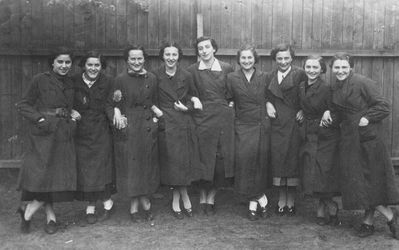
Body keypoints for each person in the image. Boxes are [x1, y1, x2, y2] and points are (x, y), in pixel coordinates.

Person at [330, 52, 399, 239]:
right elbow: (339, 110)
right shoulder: (335, 86)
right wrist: (329, 114)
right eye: (337, 67)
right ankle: (368, 222)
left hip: (370, 141)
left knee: (371, 182)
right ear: (332, 68)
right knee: (363, 183)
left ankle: (390, 217)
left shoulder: (362, 82)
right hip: (351, 141)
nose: (340, 70)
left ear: (351, 67)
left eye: (344, 67)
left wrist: (367, 118)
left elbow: (384, 106)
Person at [15, 47, 79, 234]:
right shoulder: (40, 80)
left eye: (67, 62)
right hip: (43, 136)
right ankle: (29, 212)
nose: (64, 66)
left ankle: (50, 217)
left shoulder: (70, 82)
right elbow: (23, 105)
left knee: (53, 177)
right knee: (44, 177)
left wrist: (72, 114)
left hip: (63, 134)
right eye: (60, 62)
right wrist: (40, 119)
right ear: (52, 62)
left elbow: (69, 105)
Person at [107, 45, 160, 223]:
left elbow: (155, 102)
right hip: (129, 128)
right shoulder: (120, 80)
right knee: (132, 168)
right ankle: (135, 206)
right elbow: (114, 102)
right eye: (132, 59)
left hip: (146, 127)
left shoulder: (152, 78)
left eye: (139, 59)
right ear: (127, 61)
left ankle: (145, 201)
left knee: (147, 166)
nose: (136, 62)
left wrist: (155, 120)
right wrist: (116, 113)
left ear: (144, 59)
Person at [154, 42, 203, 219]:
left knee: (183, 164)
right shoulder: (155, 76)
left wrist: (188, 107)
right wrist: (157, 114)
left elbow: (193, 96)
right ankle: (179, 197)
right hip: (166, 123)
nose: (171, 58)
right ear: (162, 56)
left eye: (174, 55)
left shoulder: (187, 75)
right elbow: (151, 99)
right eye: (167, 54)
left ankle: (182, 196)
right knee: (172, 165)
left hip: (183, 122)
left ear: (178, 57)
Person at [186, 36, 235, 215]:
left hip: (222, 119)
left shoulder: (227, 68)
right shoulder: (192, 70)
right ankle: (202, 195)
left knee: (218, 159)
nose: (204, 51)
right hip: (202, 118)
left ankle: (212, 196)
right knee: (203, 157)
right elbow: (187, 92)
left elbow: (232, 93)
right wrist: (194, 98)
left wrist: (229, 106)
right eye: (200, 48)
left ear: (214, 49)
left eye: (207, 47)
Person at [226, 45, 270, 221]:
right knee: (245, 165)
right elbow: (229, 99)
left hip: (260, 125)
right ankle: (260, 198)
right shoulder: (231, 77)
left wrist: (268, 104)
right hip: (242, 125)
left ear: (255, 59)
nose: (246, 61)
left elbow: (269, 98)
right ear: (239, 60)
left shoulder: (265, 77)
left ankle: (254, 202)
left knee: (259, 165)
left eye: (249, 58)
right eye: (243, 58)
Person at [72, 51, 116, 224]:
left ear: (101, 66)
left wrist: (116, 113)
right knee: (86, 170)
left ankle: (108, 204)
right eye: (90, 65)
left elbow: (111, 104)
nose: (93, 68)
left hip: (101, 129)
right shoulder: (74, 81)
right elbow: (67, 101)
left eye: (97, 65)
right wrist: (70, 111)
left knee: (101, 169)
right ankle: (90, 206)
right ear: (84, 65)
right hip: (81, 130)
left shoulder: (109, 82)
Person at [298, 55, 341, 225]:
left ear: (322, 70)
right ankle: (327, 206)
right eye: (308, 67)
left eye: (315, 67)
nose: (311, 70)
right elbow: (303, 104)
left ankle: (328, 207)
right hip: (308, 134)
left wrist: (328, 111)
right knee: (311, 174)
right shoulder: (302, 86)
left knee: (323, 174)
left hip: (326, 136)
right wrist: (301, 111)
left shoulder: (327, 88)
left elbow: (337, 110)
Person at [265, 43, 307, 216]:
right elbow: (264, 95)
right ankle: (282, 198)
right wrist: (267, 103)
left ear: (292, 58)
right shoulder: (269, 76)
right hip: (276, 124)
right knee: (279, 160)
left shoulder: (300, 74)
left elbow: (310, 95)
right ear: (275, 59)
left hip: (294, 123)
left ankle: (291, 200)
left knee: (292, 161)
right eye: (279, 58)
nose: (283, 62)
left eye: (286, 58)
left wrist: (303, 110)